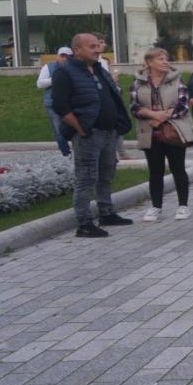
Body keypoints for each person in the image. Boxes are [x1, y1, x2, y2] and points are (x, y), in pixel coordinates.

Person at [52, 33, 134, 238]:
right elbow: (61, 106)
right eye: (92, 46)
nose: (98, 50)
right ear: (77, 50)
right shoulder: (65, 72)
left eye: (98, 46)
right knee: (86, 178)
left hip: (109, 133)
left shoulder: (99, 69)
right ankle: (84, 223)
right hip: (88, 135)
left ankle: (106, 213)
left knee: (106, 175)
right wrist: (81, 130)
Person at [130, 48, 193, 222]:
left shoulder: (177, 80)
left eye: (166, 58)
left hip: (174, 132)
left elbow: (182, 106)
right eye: (160, 59)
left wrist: (160, 118)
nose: (165, 62)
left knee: (178, 169)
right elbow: (134, 107)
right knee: (155, 172)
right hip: (150, 134)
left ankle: (183, 206)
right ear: (149, 62)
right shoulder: (138, 82)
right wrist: (153, 115)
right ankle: (156, 207)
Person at [37, 47, 73, 156]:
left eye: (68, 56)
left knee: (75, 127)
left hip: (71, 102)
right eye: (62, 56)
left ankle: (78, 150)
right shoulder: (48, 67)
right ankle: (66, 152)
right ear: (57, 56)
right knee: (58, 129)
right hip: (52, 103)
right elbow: (40, 83)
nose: (65, 58)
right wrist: (57, 80)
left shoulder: (75, 67)